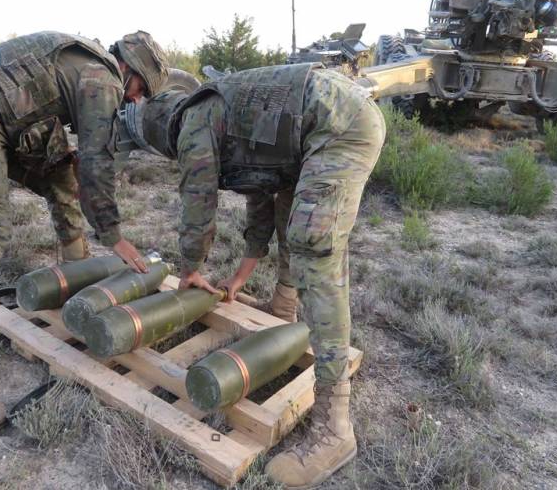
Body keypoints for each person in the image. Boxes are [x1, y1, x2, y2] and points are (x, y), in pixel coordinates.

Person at [137, 63, 385, 488]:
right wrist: (239, 276)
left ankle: (334, 429)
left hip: (338, 127)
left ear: (164, 132)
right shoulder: (219, 118)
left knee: (314, 249)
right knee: (294, 222)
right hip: (314, 133)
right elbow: (260, 201)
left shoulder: (194, 123)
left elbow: (197, 207)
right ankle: (283, 307)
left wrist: (190, 269)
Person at [0, 30, 168, 430]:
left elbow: (70, 156)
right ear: (130, 70)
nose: (135, 99)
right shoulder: (102, 78)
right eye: (140, 89)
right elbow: (98, 162)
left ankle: (75, 278)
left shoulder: (86, 65)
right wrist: (114, 236)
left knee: (61, 175)